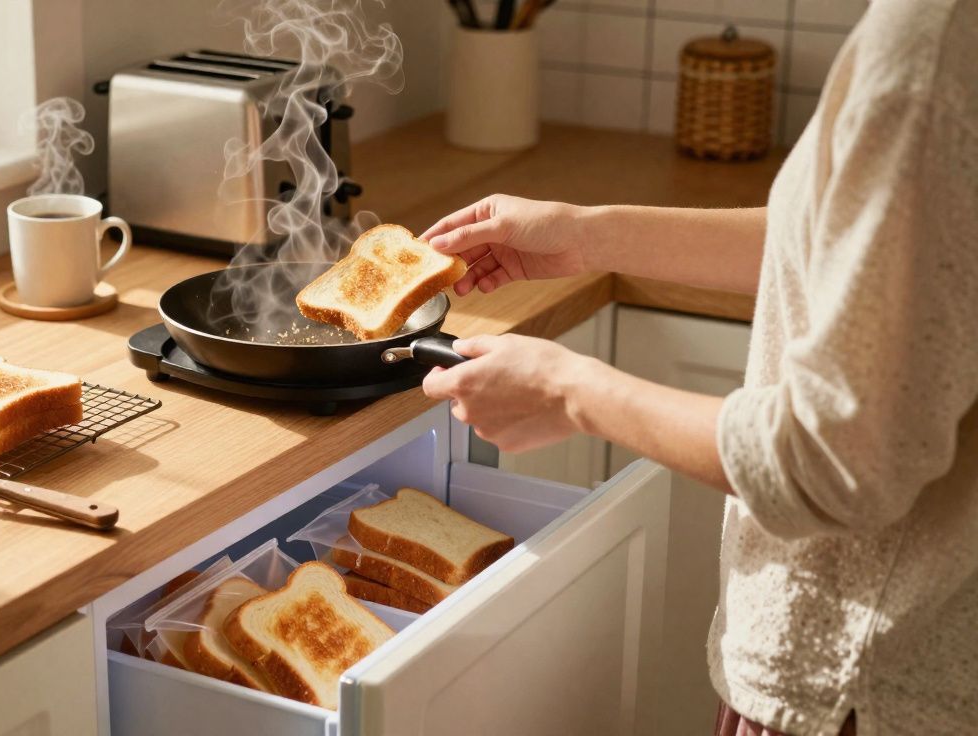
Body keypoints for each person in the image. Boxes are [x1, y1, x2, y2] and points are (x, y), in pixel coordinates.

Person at [418, 1, 977, 734]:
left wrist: (570, 390)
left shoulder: (930, 48)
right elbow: (867, 251)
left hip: (860, 691)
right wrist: (591, 237)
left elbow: (834, 458)